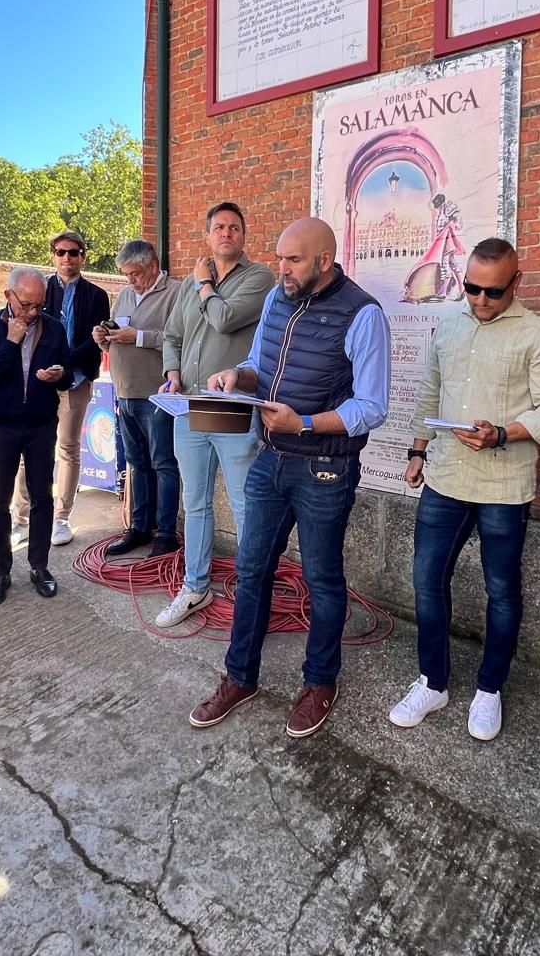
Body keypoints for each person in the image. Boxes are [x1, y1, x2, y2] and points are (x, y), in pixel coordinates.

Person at [189, 218, 389, 739]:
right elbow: (259, 362)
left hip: (326, 468)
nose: (282, 268)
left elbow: (371, 407)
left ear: (325, 260)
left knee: (322, 580)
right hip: (270, 459)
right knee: (251, 571)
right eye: (279, 257)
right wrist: (237, 376)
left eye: (293, 260)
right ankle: (240, 677)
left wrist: (303, 422)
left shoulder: (363, 314)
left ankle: (320, 682)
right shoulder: (279, 300)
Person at [393, 237, 540, 741]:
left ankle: (490, 689)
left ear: (516, 282)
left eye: (492, 292)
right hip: (446, 475)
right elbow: (431, 391)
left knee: (501, 590)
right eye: (472, 288)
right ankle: (433, 682)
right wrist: (416, 450)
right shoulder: (448, 325)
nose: (479, 300)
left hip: (504, 483)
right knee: (427, 581)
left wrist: (503, 432)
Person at [156, 202, 274, 627]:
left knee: (244, 504)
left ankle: (250, 589)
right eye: (218, 227)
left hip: (232, 408)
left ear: (243, 236)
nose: (226, 233)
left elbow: (224, 319)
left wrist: (204, 283)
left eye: (234, 228)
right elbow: (172, 335)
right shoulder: (190, 286)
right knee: (196, 501)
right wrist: (172, 372)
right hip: (187, 406)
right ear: (207, 235)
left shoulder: (259, 278)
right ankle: (195, 587)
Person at [0, 268, 71, 606]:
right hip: (1, 423)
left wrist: (59, 375)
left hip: (41, 422)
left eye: (39, 305)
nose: (32, 313)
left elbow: (67, 374)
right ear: (8, 296)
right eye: (26, 304)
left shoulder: (54, 327)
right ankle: (0, 570)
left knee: (42, 496)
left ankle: (39, 567)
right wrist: (11, 343)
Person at [13, 231, 110, 547]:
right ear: (53, 255)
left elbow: (95, 341)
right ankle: (20, 517)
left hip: (77, 378)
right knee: (28, 446)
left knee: (68, 448)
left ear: (83, 256)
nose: (66, 258)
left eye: (73, 252)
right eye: (60, 252)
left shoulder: (96, 295)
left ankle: (61, 518)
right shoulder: (40, 288)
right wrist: (47, 365)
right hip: (39, 378)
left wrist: (65, 362)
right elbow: (27, 327)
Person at [97, 239, 181, 558]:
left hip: (157, 394)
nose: (129, 280)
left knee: (163, 464)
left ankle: (166, 534)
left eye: (134, 274)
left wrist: (139, 337)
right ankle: (139, 527)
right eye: (126, 275)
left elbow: (180, 339)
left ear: (152, 267)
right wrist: (104, 340)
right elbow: (119, 340)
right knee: (136, 464)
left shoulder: (176, 292)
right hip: (126, 392)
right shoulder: (124, 296)